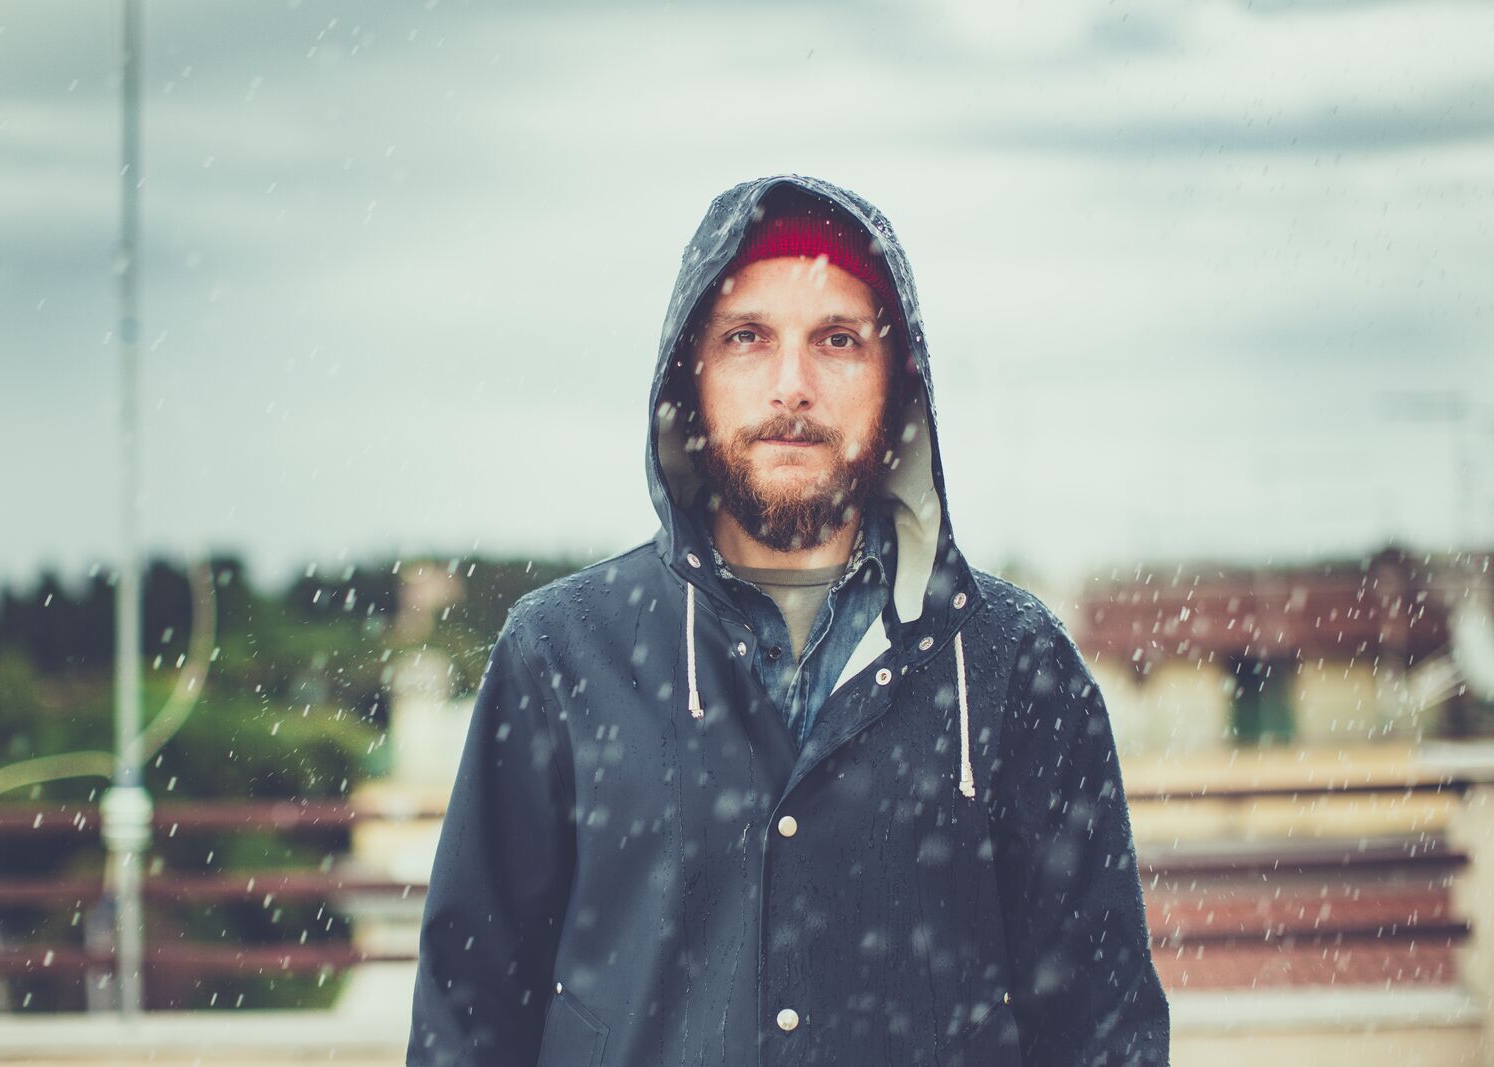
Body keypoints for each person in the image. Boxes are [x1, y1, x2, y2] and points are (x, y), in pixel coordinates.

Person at [407, 174, 1170, 1066]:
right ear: (690, 378)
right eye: (747, 337)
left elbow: (1102, 1026)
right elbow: (469, 1016)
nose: (791, 385)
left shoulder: (1011, 661)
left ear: (900, 386)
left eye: (838, 339)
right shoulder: (561, 653)